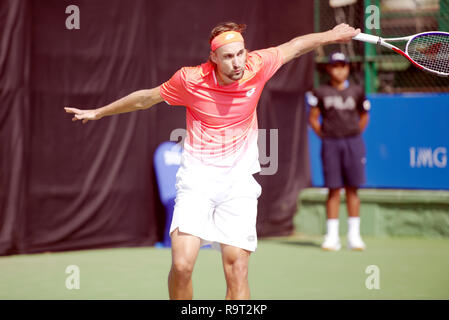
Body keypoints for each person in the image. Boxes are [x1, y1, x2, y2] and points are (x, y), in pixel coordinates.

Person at [65, 22, 360, 299]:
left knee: (237, 269)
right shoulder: (190, 80)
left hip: (239, 184)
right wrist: (100, 112)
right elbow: (146, 98)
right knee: (182, 265)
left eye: (240, 53)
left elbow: (295, 45)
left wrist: (331, 35)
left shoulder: (257, 65)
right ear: (214, 58)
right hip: (198, 181)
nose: (237, 63)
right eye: (228, 56)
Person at [308, 51, 370, 251]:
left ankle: (354, 236)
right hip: (330, 145)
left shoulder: (358, 91)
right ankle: (332, 237)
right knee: (333, 189)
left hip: (353, 143)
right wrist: (326, 136)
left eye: (343, 65)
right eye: (335, 66)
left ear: (348, 68)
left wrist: (352, 133)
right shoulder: (320, 92)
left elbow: (364, 116)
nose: (339, 69)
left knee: (353, 188)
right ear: (328, 68)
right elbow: (313, 118)